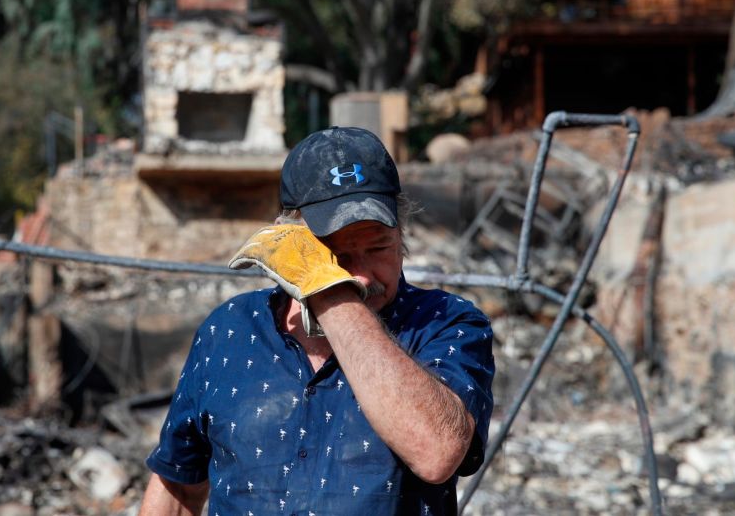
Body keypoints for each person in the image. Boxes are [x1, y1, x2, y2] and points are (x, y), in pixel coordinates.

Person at [140, 127, 495, 515]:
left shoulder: (446, 323)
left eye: (378, 248)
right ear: (292, 240)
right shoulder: (228, 329)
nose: (361, 277)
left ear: (401, 233)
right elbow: (178, 483)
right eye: (338, 254)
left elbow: (437, 454)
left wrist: (328, 289)